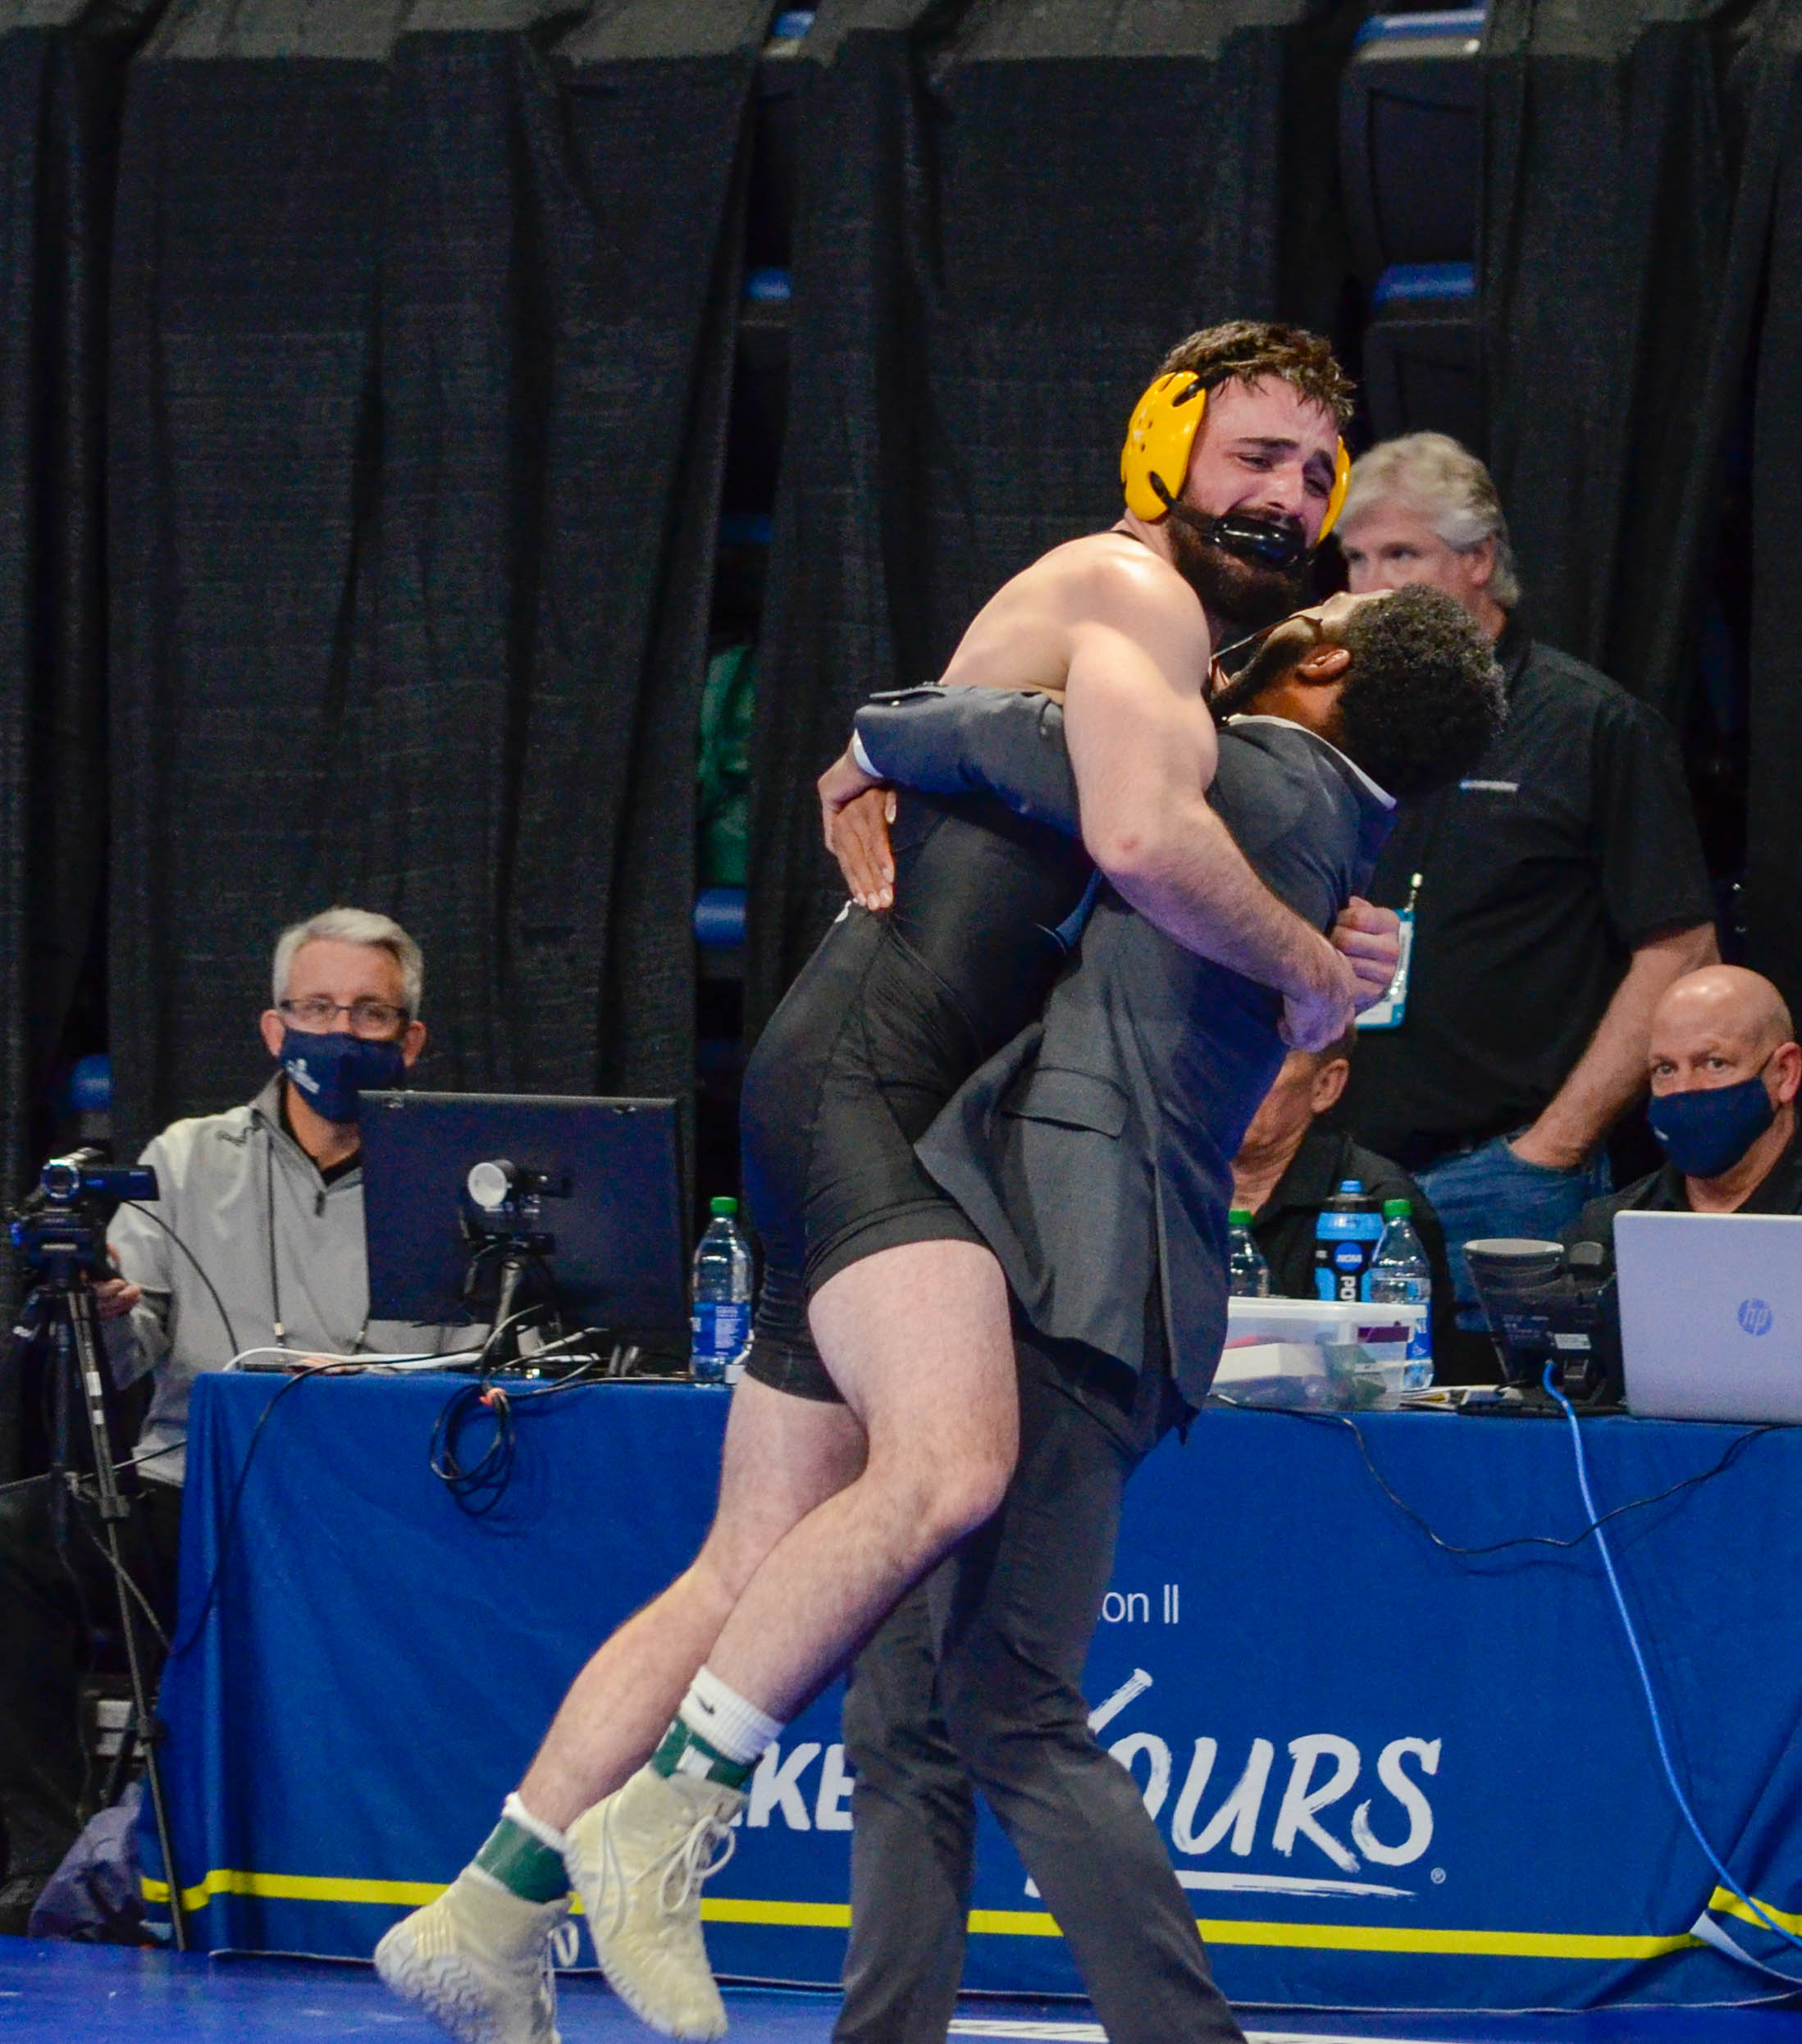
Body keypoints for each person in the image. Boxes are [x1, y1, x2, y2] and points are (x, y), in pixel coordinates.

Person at [376, 323, 1400, 2044]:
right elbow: (1142, 839)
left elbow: (1075, 780)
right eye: (1255, 454)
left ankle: (486, 1910)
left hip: (845, 1078)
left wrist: (887, 742)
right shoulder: (1131, 589)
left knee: (749, 1555)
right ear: (1163, 447)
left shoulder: (1151, 638)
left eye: (1315, 472)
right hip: (878, 1086)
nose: (1287, 497)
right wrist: (1311, 973)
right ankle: (663, 1824)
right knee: (953, 1461)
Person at [814, 585, 1502, 2043]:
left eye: (1326, 601)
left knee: (1004, 1704)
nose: (1295, 599)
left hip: (1073, 1272)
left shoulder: (1245, 779)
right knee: (905, 1714)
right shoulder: (1326, 823)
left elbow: (996, 735)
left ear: (1325, 661)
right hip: (1053, 1265)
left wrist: (869, 740)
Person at [0, 908, 467, 1928]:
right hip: (190, 1501)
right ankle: (41, 1863)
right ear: (274, 1026)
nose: (340, 1031)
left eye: (370, 1013)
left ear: (411, 1038)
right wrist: (106, 1308)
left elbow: (494, 1368)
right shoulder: (187, 1157)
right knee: (16, 1536)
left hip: (380, 1522)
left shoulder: (462, 1176)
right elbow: (127, 1351)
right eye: (318, 1008)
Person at [1333, 433, 1720, 1303]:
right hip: (1346, 1176)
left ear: (1479, 559)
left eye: (1401, 554)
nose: (1370, 586)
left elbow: (1681, 950)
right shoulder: (1337, 722)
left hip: (1506, 1176)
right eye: (1355, 558)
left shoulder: (1590, 725)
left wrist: (1554, 1144)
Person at [1562, 964, 1802, 1255]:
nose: (1683, 1090)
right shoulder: (1608, 1233)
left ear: (1784, 1073)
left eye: (1714, 1063)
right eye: (1665, 1069)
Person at [1229, 1026, 1453, 1352]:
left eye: (1259, 1058)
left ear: (1324, 1086)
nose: (1225, 1080)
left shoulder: (1379, 1206)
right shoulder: (1168, 1185)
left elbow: (1395, 1359)